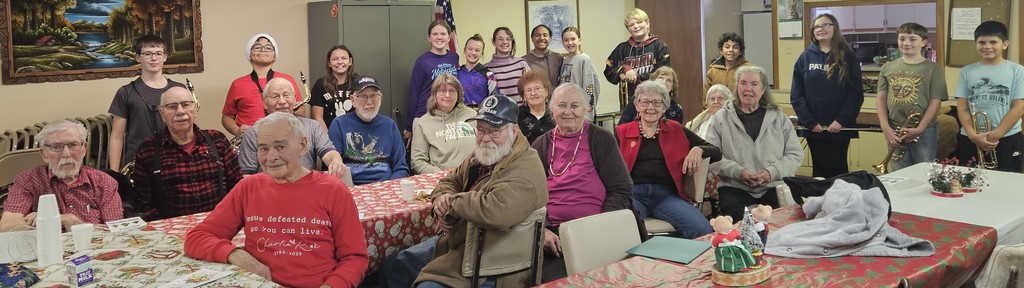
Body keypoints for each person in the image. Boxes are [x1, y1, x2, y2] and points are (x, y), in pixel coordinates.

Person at [184, 112, 369, 288]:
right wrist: (236, 254)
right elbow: (196, 238)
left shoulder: (334, 191)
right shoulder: (248, 187)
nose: (271, 157)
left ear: (302, 146)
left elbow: (355, 258)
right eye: (263, 148)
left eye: (280, 146)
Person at [413, 94, 548, 287]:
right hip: (462, 244)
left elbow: (495, 211)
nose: (485, 138)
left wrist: (451, 205)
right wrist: (442, 198)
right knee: (393, 266)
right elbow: (449, 181)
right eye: (481, 130)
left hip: (493, 265)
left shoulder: (527, 167)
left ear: (515, 130)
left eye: (494, 131)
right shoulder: (484, 156)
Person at [530, 83, 634, 281]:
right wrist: (541, 229)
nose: (568, 111)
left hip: (596, 230)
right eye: (561, 105)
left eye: (575, 106)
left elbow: (622, 189)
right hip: (555, 236)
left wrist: (600, 226)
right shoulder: (540, 145)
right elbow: (529, 196)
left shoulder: (602, 139)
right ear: (552, 109)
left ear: (586, 109)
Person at [617, 81, 719, 239]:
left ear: (664, 107)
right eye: (645, 102)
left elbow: (716, 151)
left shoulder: (676, 129)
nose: (650, 107)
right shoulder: (621, 132)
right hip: (633, 195)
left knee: (702, 229)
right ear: (637, 105)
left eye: (657, 102)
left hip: (667, 196)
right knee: (619, 228)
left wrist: (698, 149)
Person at [706, 66, 803, 222]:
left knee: (784, 223)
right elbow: (713, 157)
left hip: (774, 185)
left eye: (754, 84)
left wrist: (771, 172)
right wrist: (739, 172)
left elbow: (795, 154)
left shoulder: (779, 118)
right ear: (737, 87)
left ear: (763, 89)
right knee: (739, 226)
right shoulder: (721, 118)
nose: (748, 89)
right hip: (734, 186)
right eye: (743, 83)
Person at [133, 87, 243, 220]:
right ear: (162, 113)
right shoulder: (147, 150)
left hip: (219, 221)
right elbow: (143, 202)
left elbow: (237, 186)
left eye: (186, 105)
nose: (180, 111)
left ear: (195, 109)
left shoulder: (217, 140)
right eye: (171, 107)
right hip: (171, 228)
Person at [1, 120, 122, 232]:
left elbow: (117, 230)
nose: (66, 154)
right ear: (44, 154)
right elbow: (6, 227)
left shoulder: (104, 182)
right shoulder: (27, 180)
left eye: (73, 145)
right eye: (56, 147)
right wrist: (56, 219)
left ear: (84, 149)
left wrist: (75, 224)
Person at [790, 14, 863, 178]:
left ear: (834, 28)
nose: (821, 29)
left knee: (839, 169)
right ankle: (819, 202)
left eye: (825, 25)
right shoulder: (805, 57)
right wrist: (810, 121)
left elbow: (856, 94)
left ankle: (841, 202)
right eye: (817, 27)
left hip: (840, 127)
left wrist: (841, 120)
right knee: (820, 170)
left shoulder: (848, 56)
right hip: (814, 128)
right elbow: (796, 94)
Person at [238, 78, 348, 178]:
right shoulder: (253, 133)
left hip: (307, 189)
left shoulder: (312, 126)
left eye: (286, 95)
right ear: (264, 103)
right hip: (268, 192)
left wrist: (336, 161)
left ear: (295, 99)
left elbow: (329, 153)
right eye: (275, 97)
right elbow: (247, 175)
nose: (282, 101)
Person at [876, 23, 948, 171]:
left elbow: (935, 101)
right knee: (898, 173)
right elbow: (881, 99)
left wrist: (920, 128)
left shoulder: (933, 69)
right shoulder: (887, 67)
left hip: (924, 131)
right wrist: (885, 127)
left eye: (912, 39)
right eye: (902, 38)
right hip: (894, 129)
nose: (906, 43)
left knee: (924, 172)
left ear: (923, 42)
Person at [107, 35, 186, 171]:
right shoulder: (125, 92)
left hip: (175, 160)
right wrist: (115, 173)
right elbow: (117, 136)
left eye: (158, 53)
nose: (154, 58)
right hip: (137, 163)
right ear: (138, 57)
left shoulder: (179, 90)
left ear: (165, 57)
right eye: (147, 54)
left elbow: (187, 128)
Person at [955, 20, 1024, 172]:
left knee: (1008, 183)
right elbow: (962, 108)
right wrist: (974, 136)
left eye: (993, 42)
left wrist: (994, 136)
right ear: (976, 44)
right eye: (981, 42)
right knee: (970, 182)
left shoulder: (1018, 71)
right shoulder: (966, 71)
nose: (987, 46)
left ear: (1005, 44)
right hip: (971, 137)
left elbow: (1019, 107)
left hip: (1007, 137)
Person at [328, 76, 410, 185]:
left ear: (380, 97)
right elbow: (333, 169)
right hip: (351, 190)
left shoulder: (390, 125)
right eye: (363, 96)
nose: (369, 102)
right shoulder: (339, 124)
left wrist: (389, 188)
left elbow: (401, 167)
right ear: (352, 100)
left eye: (373, 96)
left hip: (386, 188)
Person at [222, 33, 305, 139]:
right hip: (249, 138)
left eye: (269, 47)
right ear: (250, 54)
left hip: (283, 137)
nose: (263, 50)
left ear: (275, 56)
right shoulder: (237, 84)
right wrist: (236, 130)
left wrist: (288, 106)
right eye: (257, 47)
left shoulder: (287, 80)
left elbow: (302, 112)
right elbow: (227, 117)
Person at [604, 8, 671, 125]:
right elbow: (608, 68)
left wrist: (636, 75)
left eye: (639, 22)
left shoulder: (660, 46)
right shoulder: (621, 48)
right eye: (631, 25)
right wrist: (623, 70)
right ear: (628, 29)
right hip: (629, 105)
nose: (635, 26)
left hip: (654, 104)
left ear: (647, 23)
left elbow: (662, 72)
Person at [410, 74, 478, 174]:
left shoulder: (473, 115)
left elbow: (485, 147)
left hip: (474, 174)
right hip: (442, 179)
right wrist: (441, 174)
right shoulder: (423, 123)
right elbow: (417, 161)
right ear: (434, 94)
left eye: (452, 91)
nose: (447, 95)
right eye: (442, 90)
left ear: (458, 94)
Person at [407, 20, 460, 140]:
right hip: (425, 114)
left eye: (443, 34)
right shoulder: (422, 61)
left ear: (449, 37)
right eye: (435, 34)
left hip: (447, 115)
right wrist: (409, 126)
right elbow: (414, 93)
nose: (439, 37)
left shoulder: (454, 58)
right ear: (429, 38)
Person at [310, 45, 358, 131]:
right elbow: (317, 118)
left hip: (356, 134)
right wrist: (329, 140)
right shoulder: (320, 84)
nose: (340, 62)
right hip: (329, 137)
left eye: (344, 58)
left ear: (350, 61)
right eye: (335, 59)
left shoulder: (358, 83)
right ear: (329, 63)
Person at [558, 27, 601, 122]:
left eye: (573, 39)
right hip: (568, 109)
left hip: (580, 112)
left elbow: (590, 86)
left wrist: (588, 110)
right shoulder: (565, 60)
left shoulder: (584, 59)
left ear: (580, 40)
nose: (570, 43)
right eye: (566, 40)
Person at [486, 27, 532, 104]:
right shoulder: (486, 68)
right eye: (500, 39)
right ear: (493, 42)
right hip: (499, 114)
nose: (505, 42)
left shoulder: (521, 64)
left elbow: (532, 89)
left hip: (522, 113)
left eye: (508, 39)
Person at [457, 34, 496, 108]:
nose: (473, 53)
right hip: (461, 116)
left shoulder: (489, 75)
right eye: (470, 49)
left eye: (477, 50)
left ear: (482, 53)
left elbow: (494, 99)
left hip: (481, 116)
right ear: (465, 50)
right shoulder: (457, 73)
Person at [518, 70, 556, 144]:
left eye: (537, 88)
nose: (533, 93)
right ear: (524, 96)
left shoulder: (555, 113)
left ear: (546, 92)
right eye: (529, 90)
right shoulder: (518, 115)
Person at [524, 24, 564, 88]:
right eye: (538, 35)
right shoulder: (524, 61)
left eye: (545, 35)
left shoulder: (558, 58)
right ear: (532, 39)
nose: (542, 38)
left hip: (557, 97)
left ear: (550, 38)